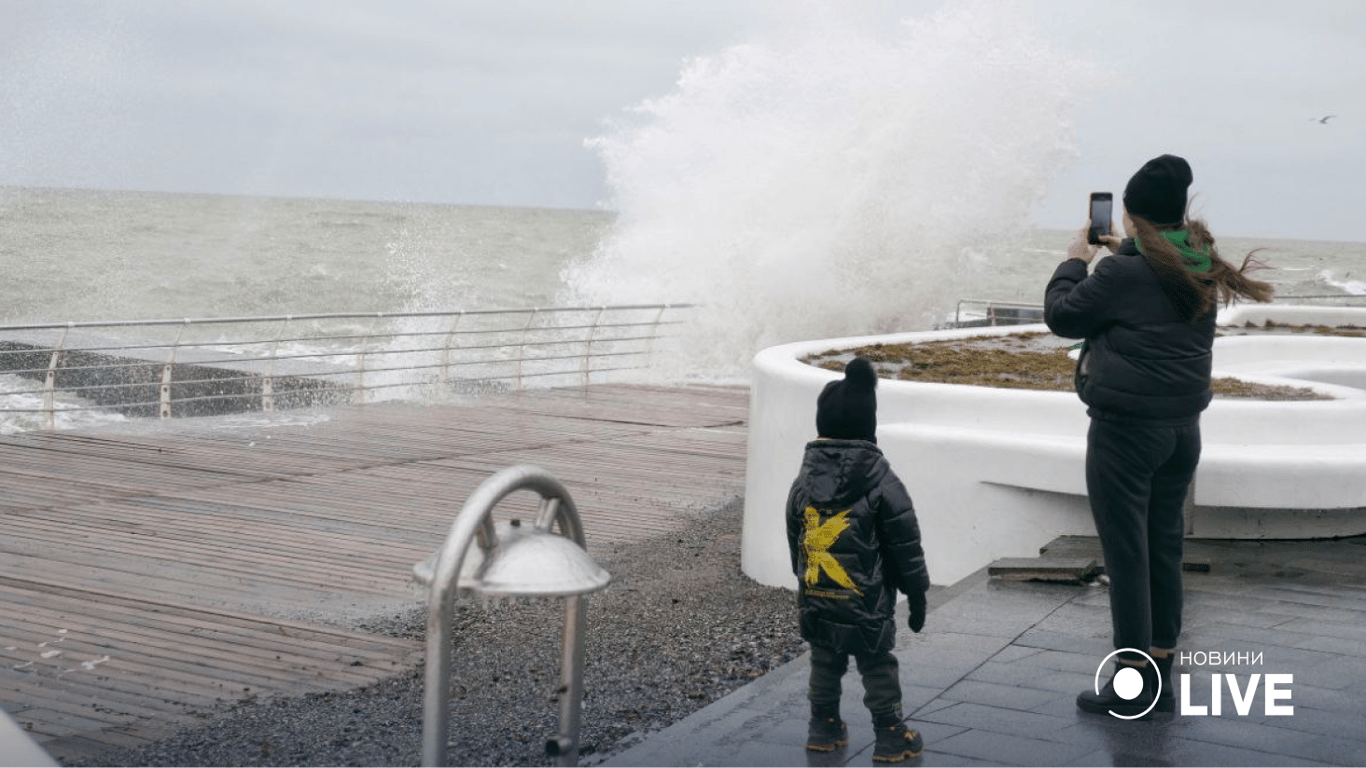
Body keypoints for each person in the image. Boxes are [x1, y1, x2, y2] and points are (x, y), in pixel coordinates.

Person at [1043, 154, 1274, 717]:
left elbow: (1063, 317)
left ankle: (1131, 685)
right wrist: (1125, 249)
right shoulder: (1201, 265)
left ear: (1130, 214)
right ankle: (1161, 673)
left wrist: (1076, 260)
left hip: (1126, 435)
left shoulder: (1122, 273)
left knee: (1127, 558)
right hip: (1181, 433)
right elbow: (1150, 295)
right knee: (1163, 548)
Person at [785, 356, 931, 761]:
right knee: (877, 663)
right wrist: (916, 594)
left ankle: (822, 728)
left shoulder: (803, 481)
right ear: (869, 423)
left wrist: (805, 579)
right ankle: (889, 734)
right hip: (866, 599)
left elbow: (795, 536)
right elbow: (905, 542)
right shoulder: (881, 480)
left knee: (824, 660)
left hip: (818, 593)